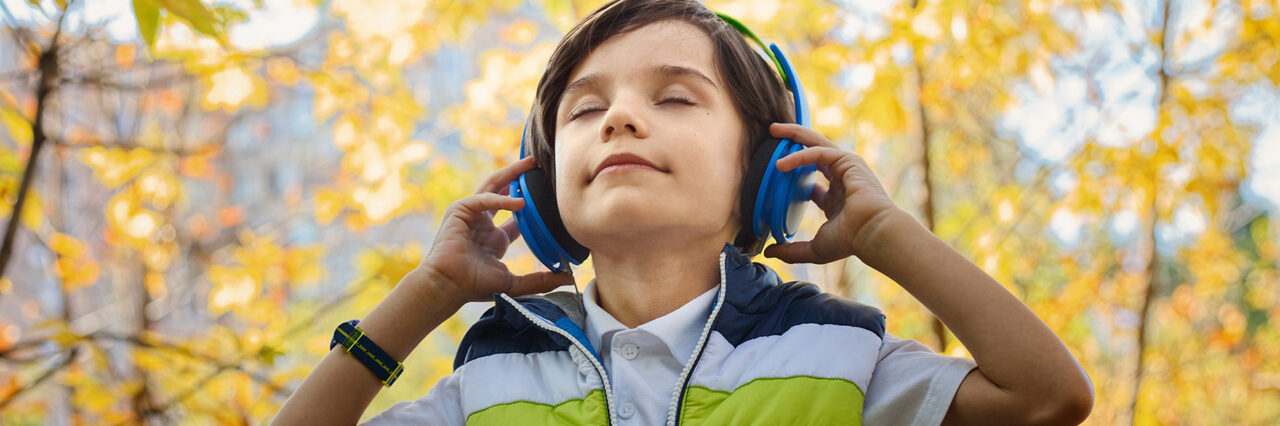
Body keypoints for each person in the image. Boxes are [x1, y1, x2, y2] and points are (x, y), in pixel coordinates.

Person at [273, 0, 1094, 424]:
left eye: (673, 96)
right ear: (540, 189)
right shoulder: (491, 378)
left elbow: (1047, 400)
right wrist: (427, 292)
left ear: (767, 170)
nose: (620, 119)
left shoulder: (838, 357)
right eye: (584, 111)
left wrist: (884, 235)